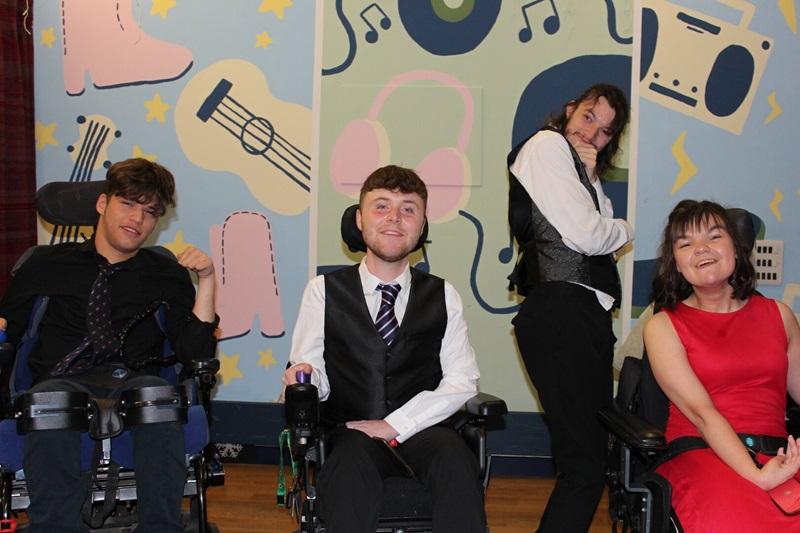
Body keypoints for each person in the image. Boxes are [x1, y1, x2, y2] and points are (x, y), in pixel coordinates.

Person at [0, 158, 218, 532]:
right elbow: (8, 331)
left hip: (133, 380)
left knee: (157, 397)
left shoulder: (165, 271)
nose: (137, 219)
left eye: (150, 212)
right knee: (52, 401)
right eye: (128, 204)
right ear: (103, 203)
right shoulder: (43, 263)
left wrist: (208, 280)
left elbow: (195, 353)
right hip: (60, 379)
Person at [281, 165, 483, 533]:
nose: (394, 218)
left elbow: (462, 381)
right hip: (351, 432)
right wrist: (306, 380)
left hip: (426, 433)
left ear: (422, 227)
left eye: (408, 209)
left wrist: (394, 425)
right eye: (381, 206)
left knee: (457, 459)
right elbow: (313, 368)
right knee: (347, 467)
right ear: (359, 219)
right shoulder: (322, 291)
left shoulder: (444, 295)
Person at [506, 83, 633, 531]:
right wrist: (625, 227)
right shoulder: (546, 146)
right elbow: (588, 235)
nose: (592, 133)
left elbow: (592, 229)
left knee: (591, 459)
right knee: (585, 464)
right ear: (568, 111)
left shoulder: (578, 168)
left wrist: (593, 180)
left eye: (604, 131)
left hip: (582, 317)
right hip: (562, 313)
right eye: (587, 118)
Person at [645, 199, 800, 530]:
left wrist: (772, 469)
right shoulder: (663, 326)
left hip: (778, 455)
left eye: (714, 237)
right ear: (676, 263)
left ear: (736, 247)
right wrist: (757, 476)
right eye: (686, 243)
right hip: (702, 454)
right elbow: (702, 414)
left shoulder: (780, 316)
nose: (701, 249)